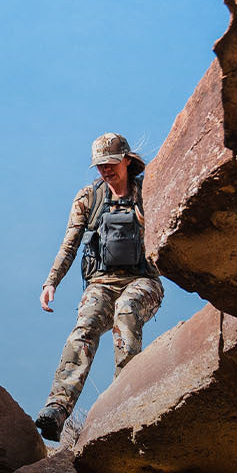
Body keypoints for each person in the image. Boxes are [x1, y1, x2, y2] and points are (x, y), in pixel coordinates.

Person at [32, 133, 164, 442]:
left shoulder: (149, 191)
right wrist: (51, 282)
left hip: (143, 281)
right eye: (100, 165)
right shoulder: (88, 198)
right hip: (101, 282)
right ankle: (57, 409)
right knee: (86, 324)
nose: (105, 170)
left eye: (110, 163)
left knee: (127, 310)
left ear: (127, 161)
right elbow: (70, 244)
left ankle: (124, 400)